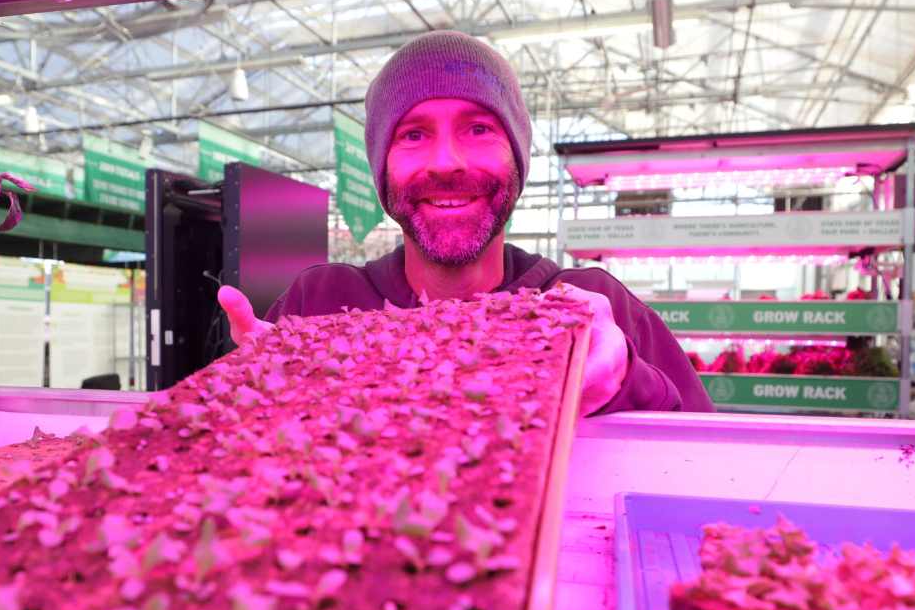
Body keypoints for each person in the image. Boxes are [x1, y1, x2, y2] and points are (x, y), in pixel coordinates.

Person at [218, 30, 712, 416]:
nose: (447, 162)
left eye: (478, 129)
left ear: (517, 154)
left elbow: (715, 473)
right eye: (413, 135)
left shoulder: (592, 309)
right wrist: (255, 397)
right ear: (380, 164)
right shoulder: (319, 305)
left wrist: (630, 381)